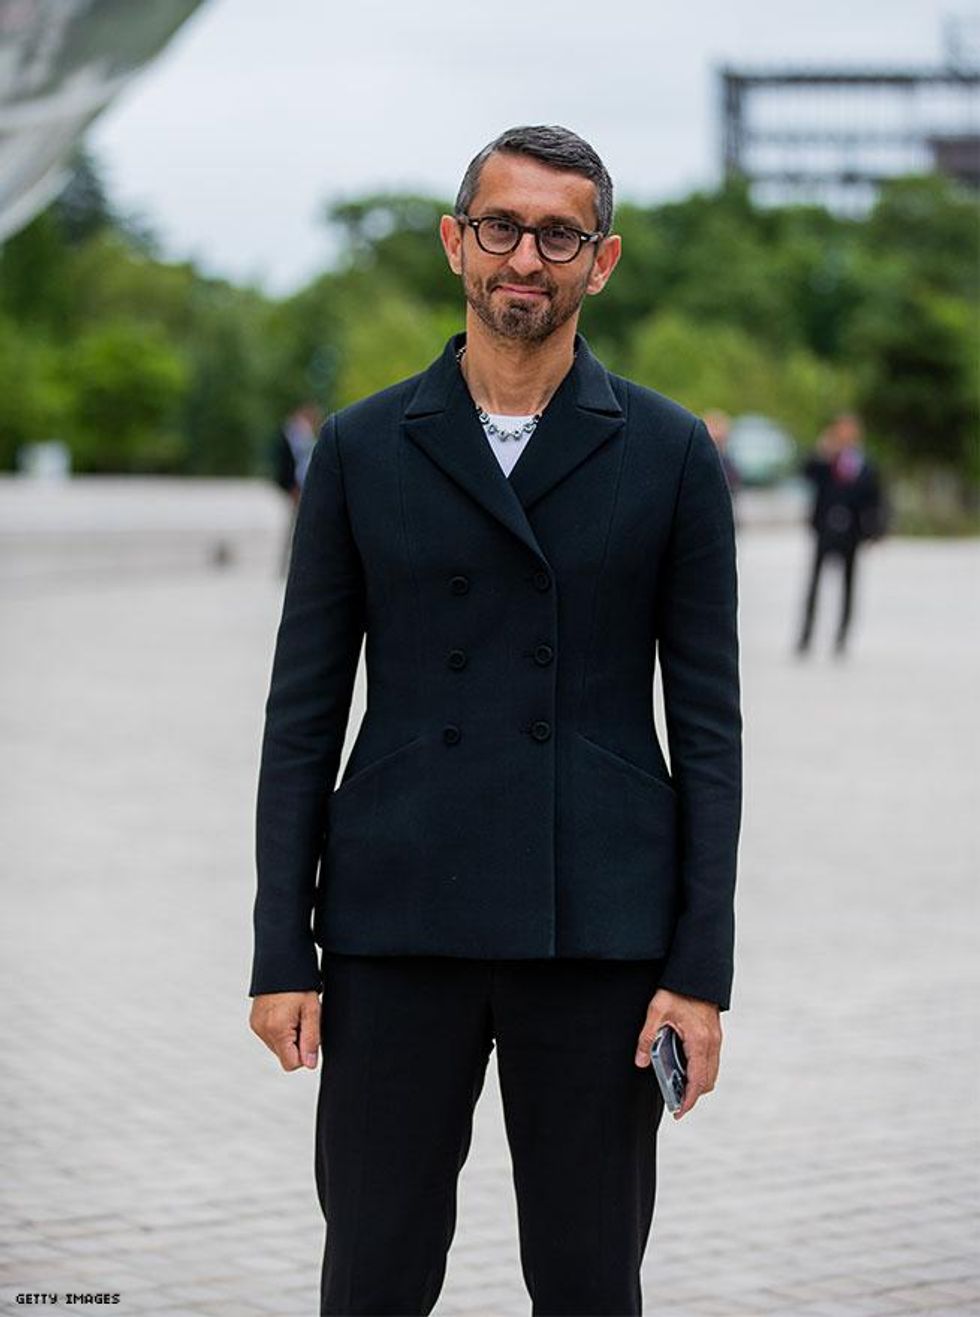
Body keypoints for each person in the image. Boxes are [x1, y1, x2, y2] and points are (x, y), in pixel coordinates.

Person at [248, 124, 742, 1316]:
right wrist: (281, 947)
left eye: (558, 234)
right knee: (371, 1273)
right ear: (454, 243)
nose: (527, 256)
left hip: (598, 934)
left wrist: (699, 969)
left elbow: (710, 730)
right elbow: (302, 714)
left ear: (602, 260)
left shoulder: (670, 453)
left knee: (585, 1280)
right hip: (392, 925)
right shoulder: (363, 449)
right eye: (501, 227)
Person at [795, 411, 887, 656]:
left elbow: (875, 499)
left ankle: (841, 637)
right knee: (814, 583)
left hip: (852, 531)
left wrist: (875, 531)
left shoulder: (864, 463)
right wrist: (822, 452)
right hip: (825, 528)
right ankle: (806, 634)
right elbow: (806, 473)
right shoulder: (826, 460)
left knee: (849, 584)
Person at [271, 402, 320, 576]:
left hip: (303, 486)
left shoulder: (302, 435)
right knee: (297, 528)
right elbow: (288, 464)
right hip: (296, 488)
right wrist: (292, 488)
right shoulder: (293, 435)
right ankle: (290, 567)